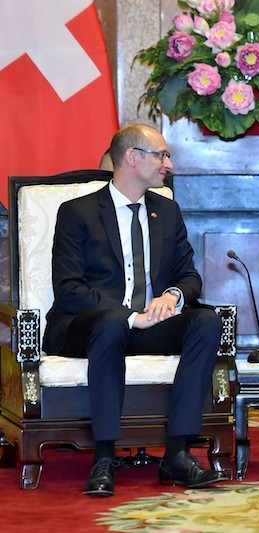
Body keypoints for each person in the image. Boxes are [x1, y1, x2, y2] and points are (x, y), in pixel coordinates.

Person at [43, 124, 226, 497]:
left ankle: (177, 453)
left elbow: (189, 276)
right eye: (162, 155)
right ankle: (105, 457)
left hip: (148, 323)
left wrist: (172, 296)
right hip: (86, 327)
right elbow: (69, 289)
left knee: (206, 321)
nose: (169, 164)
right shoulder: (78, 213)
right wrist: (131, 316)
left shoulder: (167, 211)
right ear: (132, 157)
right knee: (112, 322)